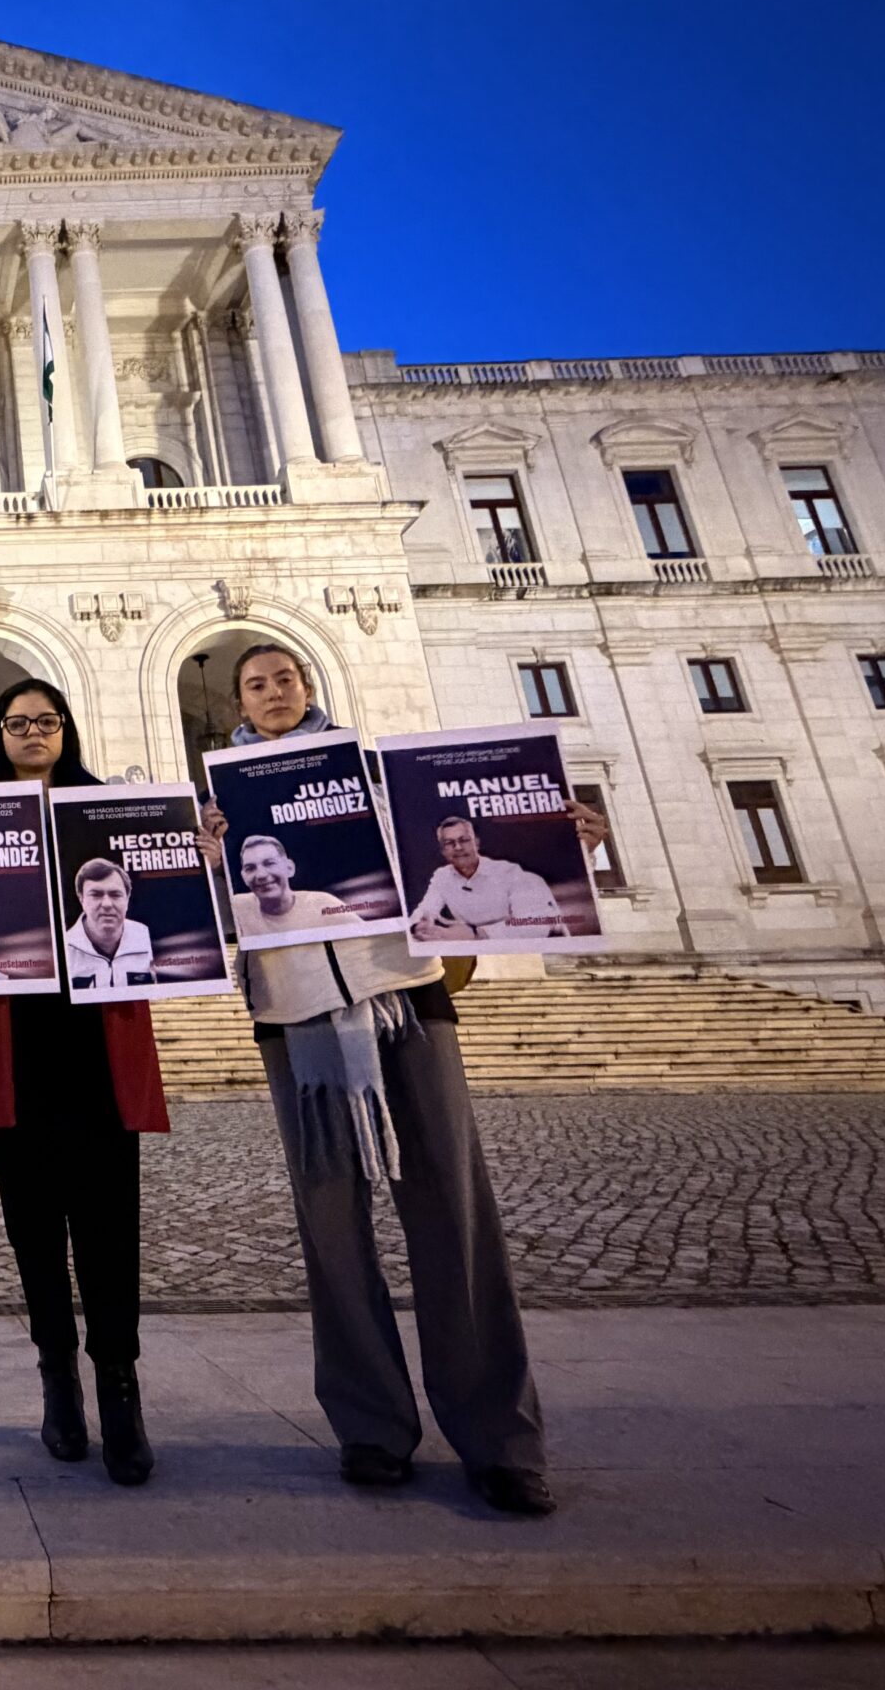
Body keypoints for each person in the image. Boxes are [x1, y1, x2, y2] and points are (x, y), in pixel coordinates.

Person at [199, 642, 607, 1518]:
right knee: (333, 1228)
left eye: (284, 678)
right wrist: (204, 854)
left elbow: (470, 839)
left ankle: (499, 1439)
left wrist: (561, 838)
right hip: (297, 1018)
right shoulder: (223, 802)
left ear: (310, 685)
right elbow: (202, 916)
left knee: (455, 1217)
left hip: (408, 1004)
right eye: (255, 684)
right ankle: (372, 1428)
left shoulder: (380, 773)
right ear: (237, 700)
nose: (273, 693)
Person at [0, 679, 167, 1486]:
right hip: (17, 1042)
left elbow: (166, 899)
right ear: (0, 735)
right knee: (33, 1227)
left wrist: (196, 854)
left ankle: (119, 1385)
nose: (32, 733)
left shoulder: (105, 809)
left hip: (95, 1041)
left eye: (45, 721)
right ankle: (57, 1376)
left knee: (110, 1223)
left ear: (66, 730)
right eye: (17, 723)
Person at [408, 818, 566, 941]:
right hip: (484, 950)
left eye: (464, 840)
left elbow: (535, 926)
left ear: (476, 843)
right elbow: (426, 908)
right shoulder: (441, 876)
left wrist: (476, 933)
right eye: (449, 843)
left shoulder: (510, 873)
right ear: (443, 850)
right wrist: (418, 925)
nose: (458, 847)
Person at [231, 835, 365, 941]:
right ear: (243, 876)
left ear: (289, 868)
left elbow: (369, 939)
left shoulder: (323, 904)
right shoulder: (237, 907)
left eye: (269, 863)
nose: (261, 875)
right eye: (250, 868)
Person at [64, 858, 155, 988]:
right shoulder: (63, 950)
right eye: (96, 894)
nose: (107, 904)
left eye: (115, 895)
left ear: (127, 899)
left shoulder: (150, 941)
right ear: (81, 899)